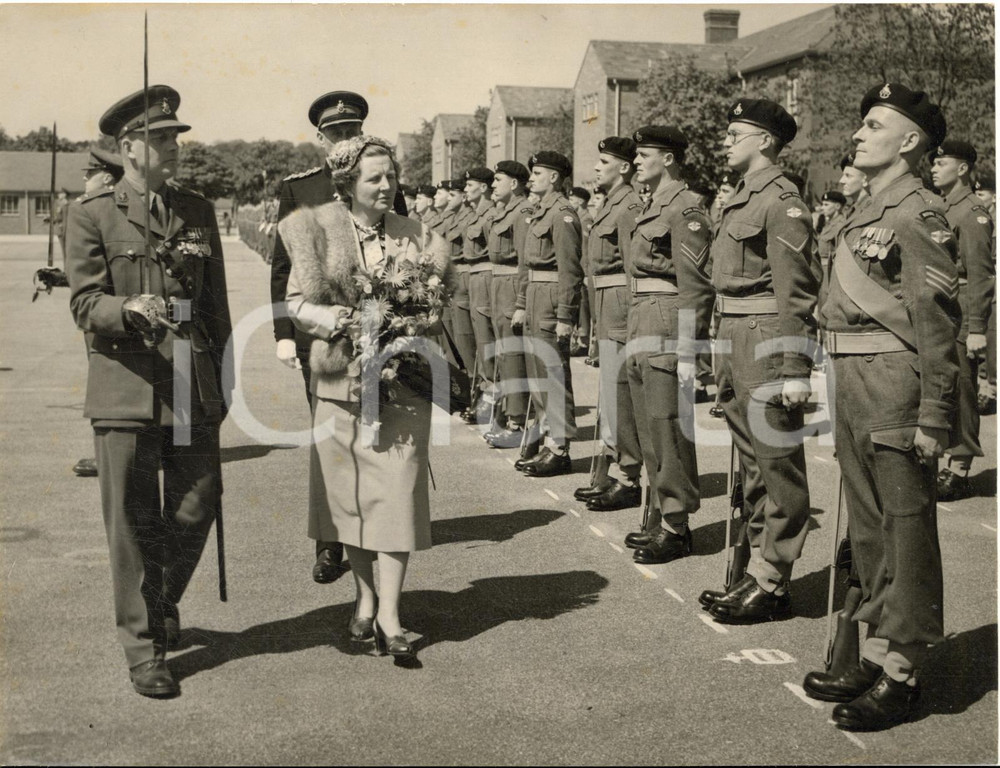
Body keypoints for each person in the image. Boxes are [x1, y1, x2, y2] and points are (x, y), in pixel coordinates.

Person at [65, 85, 232, 697]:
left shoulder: (197, 209)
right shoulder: (92, 212)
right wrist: (125, 308)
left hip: (190, 375)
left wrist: (225, 380)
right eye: (162, 138)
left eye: (177, 137)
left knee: (196, 502)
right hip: (125, 383)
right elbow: (84, 302)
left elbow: (213, 305)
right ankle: (145, 647)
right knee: (133, 522)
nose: (174, 147)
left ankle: (158, 601)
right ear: (129, 146)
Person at [803, 82, 957, 732]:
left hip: (894, 381)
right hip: (850, 378)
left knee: (904, 527)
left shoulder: (916, 212)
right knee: (867, 528)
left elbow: (936, 320)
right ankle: (875, 645)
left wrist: (936, 416)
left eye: (874, 124)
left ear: (910, 141)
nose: (859, 134)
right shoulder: (862, 208)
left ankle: (903, 671)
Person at [280, 136, 450, 660]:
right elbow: (296, 302)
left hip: (401, 385)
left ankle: (392, 616)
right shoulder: (319, 230)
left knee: (396, 493)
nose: (386, 186)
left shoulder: (419, 236)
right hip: (338, 384)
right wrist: (341, 320)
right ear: (347, 183)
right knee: (349, 497)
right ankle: (365, 597)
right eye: (374, 178)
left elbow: (437, 303)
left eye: (391, 177)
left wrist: (408, 324)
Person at [270, 90, 405, 586]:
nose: (346, 139)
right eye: (337, 133)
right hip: (321, 335)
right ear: (321, 138)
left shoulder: (384, 181)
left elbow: (401, 249)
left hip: (378, 333)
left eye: (354, 130)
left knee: (377, 428)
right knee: (328, 438)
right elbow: (284, 265)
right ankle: (331, 542)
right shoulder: (299, 189)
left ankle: (374, 525)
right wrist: (284, 334)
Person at [698, 98, 819, 623]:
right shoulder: (736, 199)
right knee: (752, 467)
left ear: (765, 141)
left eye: (736, 132)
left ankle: (773, 581)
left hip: (767, 339)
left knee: (776, 466)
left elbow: (796, 292)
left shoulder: (781, 200)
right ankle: (757, 570)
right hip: (733, 335)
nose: (726, 140)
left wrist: (795, 367)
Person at [619, 126, 714, 561]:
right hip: (642, 315)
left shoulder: (685, 208)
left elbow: (696, 286)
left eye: (644, 154)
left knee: (667, 424)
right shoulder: (650, 204)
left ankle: (677, 525)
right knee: (648, 425)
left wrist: (691, 347)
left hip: (667, 316)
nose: (636, 161)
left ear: (669, 158)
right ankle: (660, 513)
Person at [574, 137, 644, 512]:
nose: (597, 167)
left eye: (605, 161)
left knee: (621, 399)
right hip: (605, 304)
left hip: (620, 308)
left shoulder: (629, 205)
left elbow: (634, 269)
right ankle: (615, 470)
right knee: (611, 398)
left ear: (625, 168)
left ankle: (628, 477)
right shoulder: (609, 205)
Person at [511, 151, 583, 477]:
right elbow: (526, 267)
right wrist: (522, 304)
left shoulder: (562, 214)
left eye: (538, 173)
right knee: (537, 374)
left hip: (553, 300)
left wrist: (567, 316)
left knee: (553, 375)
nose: (532, 178)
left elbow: (570, 271)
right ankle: (546, 437)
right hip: (536, 298)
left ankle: (560, 447)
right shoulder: (538, 213)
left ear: (554, 177)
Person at [930, 140, 993, 500]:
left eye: (943, 162)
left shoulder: (972, 214)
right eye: (934, 162)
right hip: (941, 313)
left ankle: (960, 467)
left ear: (964, 168)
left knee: (963, 392)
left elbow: (981, 276)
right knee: (942, 388)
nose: (935, 168)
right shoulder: (941, 208)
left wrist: (977, 329)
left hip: (962, 315)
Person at [69, 147, 127, 480]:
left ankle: (107, 456)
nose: (84, 179)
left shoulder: (97, 212)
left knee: (108, 381)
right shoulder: (90, 212)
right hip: (104, 309)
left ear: (106, 176)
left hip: (113, 317)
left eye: (89, 174)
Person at [483, 161, 534, 449]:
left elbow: (526, 262)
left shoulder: (522, 213)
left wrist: (522, 301)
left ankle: (517, 422)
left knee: (513, 358)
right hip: (497, 284)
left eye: (498, 180)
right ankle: (508, 414)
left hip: (512, 286)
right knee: (503, 355)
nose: (493, 185)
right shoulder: (504, 212)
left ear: (514, 184)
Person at [462, 167, 500, 429]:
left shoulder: (492, 215)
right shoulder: (476, 214)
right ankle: (483, 398)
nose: (465, 189)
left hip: (487, 277)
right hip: (474, 278)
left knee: (488, 344)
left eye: (470, 184)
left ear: (483, 188)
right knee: (478, 343)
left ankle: (494, 403)